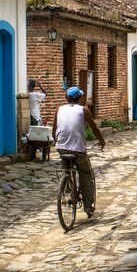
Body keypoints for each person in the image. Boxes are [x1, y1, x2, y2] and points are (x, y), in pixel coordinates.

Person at [52, 87, 106, 217]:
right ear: (79, 98)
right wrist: (101, 141)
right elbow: (94, 128)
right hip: (78, 150)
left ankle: (67, 187)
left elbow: (54, 129)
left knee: (66, 168)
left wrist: (56, 141)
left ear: (66, 98)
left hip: (61, 148)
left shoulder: (59, 109)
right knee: (86, 174)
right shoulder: (83, 110)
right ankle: (88, 206)